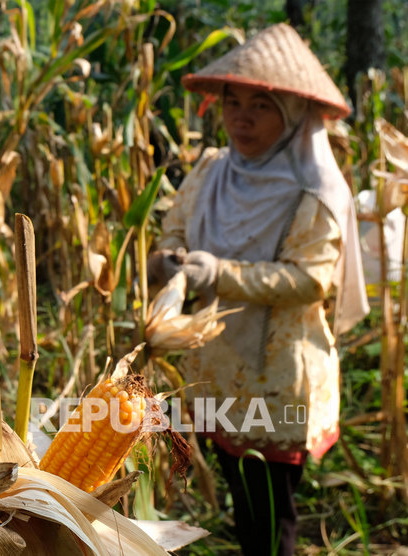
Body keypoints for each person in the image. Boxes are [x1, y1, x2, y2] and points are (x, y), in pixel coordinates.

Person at [148, 24, 369, 555]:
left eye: (261, 106)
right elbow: (174, 231)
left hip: (276, 377)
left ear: (294, 117)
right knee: (243, 503)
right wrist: (165, 261)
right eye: (232, 102)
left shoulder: (313, 193)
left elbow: (311, 279)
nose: (242, 118)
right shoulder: (210, 171)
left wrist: (215, 274)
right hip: (212, 368)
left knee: (272, 517)